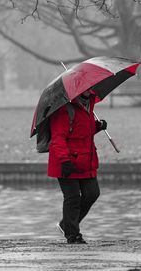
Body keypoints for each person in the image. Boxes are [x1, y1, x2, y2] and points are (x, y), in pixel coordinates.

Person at [47, 89, 107, 244]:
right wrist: (65, 161)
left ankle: (66, 225)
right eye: (85, 87)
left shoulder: (89, 105)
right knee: (73, 198)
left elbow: (81, 131)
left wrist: (97, 127)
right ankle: (73, 235)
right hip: (66, 161)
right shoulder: (64, 109)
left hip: (85, 160)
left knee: (92, 193)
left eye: (91, 86)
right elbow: (58, 137)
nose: (89, 89)